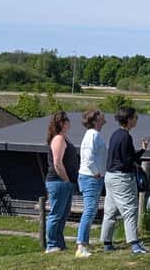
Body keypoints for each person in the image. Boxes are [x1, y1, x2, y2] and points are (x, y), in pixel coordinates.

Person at [101, 106, 150, 255]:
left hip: (110, 177)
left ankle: (107, 243)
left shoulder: (115, 134)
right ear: (129, 120)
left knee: (110, 212)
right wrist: (142, 151)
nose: (136, 120)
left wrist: (141, 150)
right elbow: (128, 160)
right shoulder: (125, 137)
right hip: (122, 178)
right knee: (130, 210)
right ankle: (134, 244)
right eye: (135, 117)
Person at [45, 111, 80, 254]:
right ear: (62, 123)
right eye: (67, 120)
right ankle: (51, 244)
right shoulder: (58, 139)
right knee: (56, 214)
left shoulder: (65, 138)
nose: (69, 122)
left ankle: (60, 243)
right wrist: (66, 180)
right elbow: (57, 163)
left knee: (63, 214)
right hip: (58, 182)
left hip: (65, 182)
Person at [75, 109, 106, 258]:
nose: (103, 116)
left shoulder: (95, 135)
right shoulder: (92, 135)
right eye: (100, 115)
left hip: (92, 177)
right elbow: (88, 157)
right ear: (95, 120)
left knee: (91, 211)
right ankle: (81, 245)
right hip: (90, 178)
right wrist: (96, 173)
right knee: (89, 211)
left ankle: (85, 243)